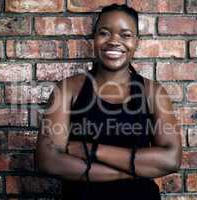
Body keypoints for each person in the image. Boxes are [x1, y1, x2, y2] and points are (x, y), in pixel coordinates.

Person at [36, 4, 182, 200]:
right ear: (94, 39)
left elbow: (171, 159)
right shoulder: (69, 89)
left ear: (136, 42)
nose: (114, 41)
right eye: (104, 33)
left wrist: (90, 150)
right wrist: (132, 170)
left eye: (125, 35)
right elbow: (49, 161)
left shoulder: (153, 92)